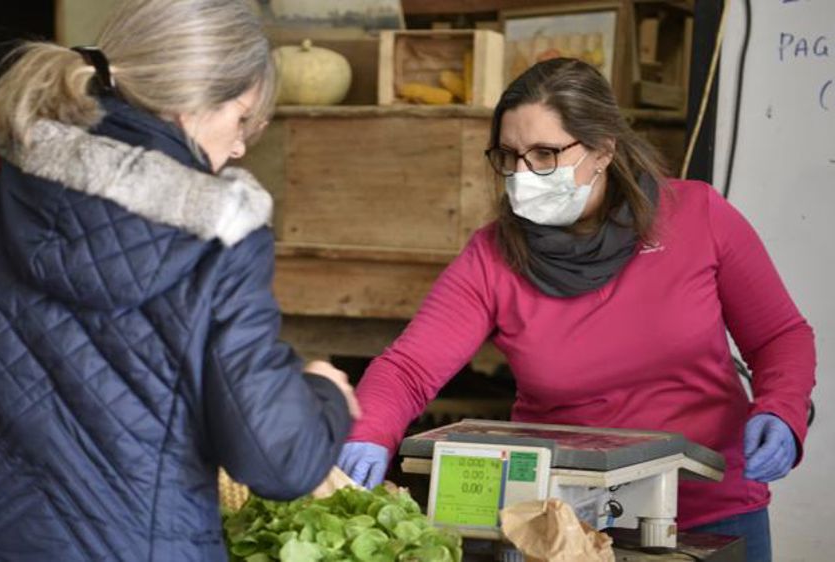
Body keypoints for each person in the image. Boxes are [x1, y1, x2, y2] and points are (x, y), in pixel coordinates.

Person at [0, 1, 359, 560]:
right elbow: (277, 462)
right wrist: (325, 394)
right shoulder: (220, 227)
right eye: (240, 120)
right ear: (194, 105)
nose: (237, 148)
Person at [337, 58, 815, 562]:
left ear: (603, 150)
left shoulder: (699, 217)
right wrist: (369, 432)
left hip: (711, 510)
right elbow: (409, 368)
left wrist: (781, 410)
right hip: (561, 520)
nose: (523, 174)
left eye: (545, 154)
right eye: (508, 156)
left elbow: (780, 336)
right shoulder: (493, 255)